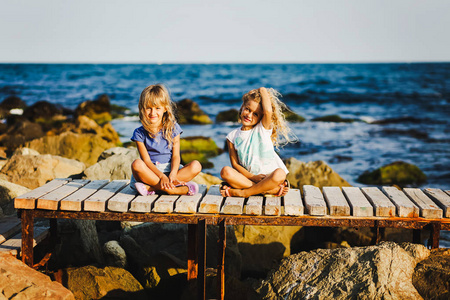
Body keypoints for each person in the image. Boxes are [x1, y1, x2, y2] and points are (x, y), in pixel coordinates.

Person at [220, 87, 294, 198]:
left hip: (269, 177)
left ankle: (245, 192)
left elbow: (268, 111)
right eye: (248, 109)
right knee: (225, 171)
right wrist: (252, 177)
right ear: (242, 107)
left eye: (255, 114)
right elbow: (235, 164)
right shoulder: (232, 136)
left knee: (280, 174)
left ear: (260, 118)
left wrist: (263, 90)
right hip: (249, 178)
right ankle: (269, 190)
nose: (249, 115)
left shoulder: (262, 129)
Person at [130, 84, 202, 196]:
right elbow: (147, 161)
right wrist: (161, 176)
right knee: (137, 164)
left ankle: (151, 188)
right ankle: (174, 190)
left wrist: (172, 174)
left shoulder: (173, 128)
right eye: (148, 108)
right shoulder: (139, 133)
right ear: (142, 109)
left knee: (196, 165)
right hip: (151, 173)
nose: (153, 113)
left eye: (157, 108)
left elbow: (176, 156)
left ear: (165, 108)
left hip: (171, 171)